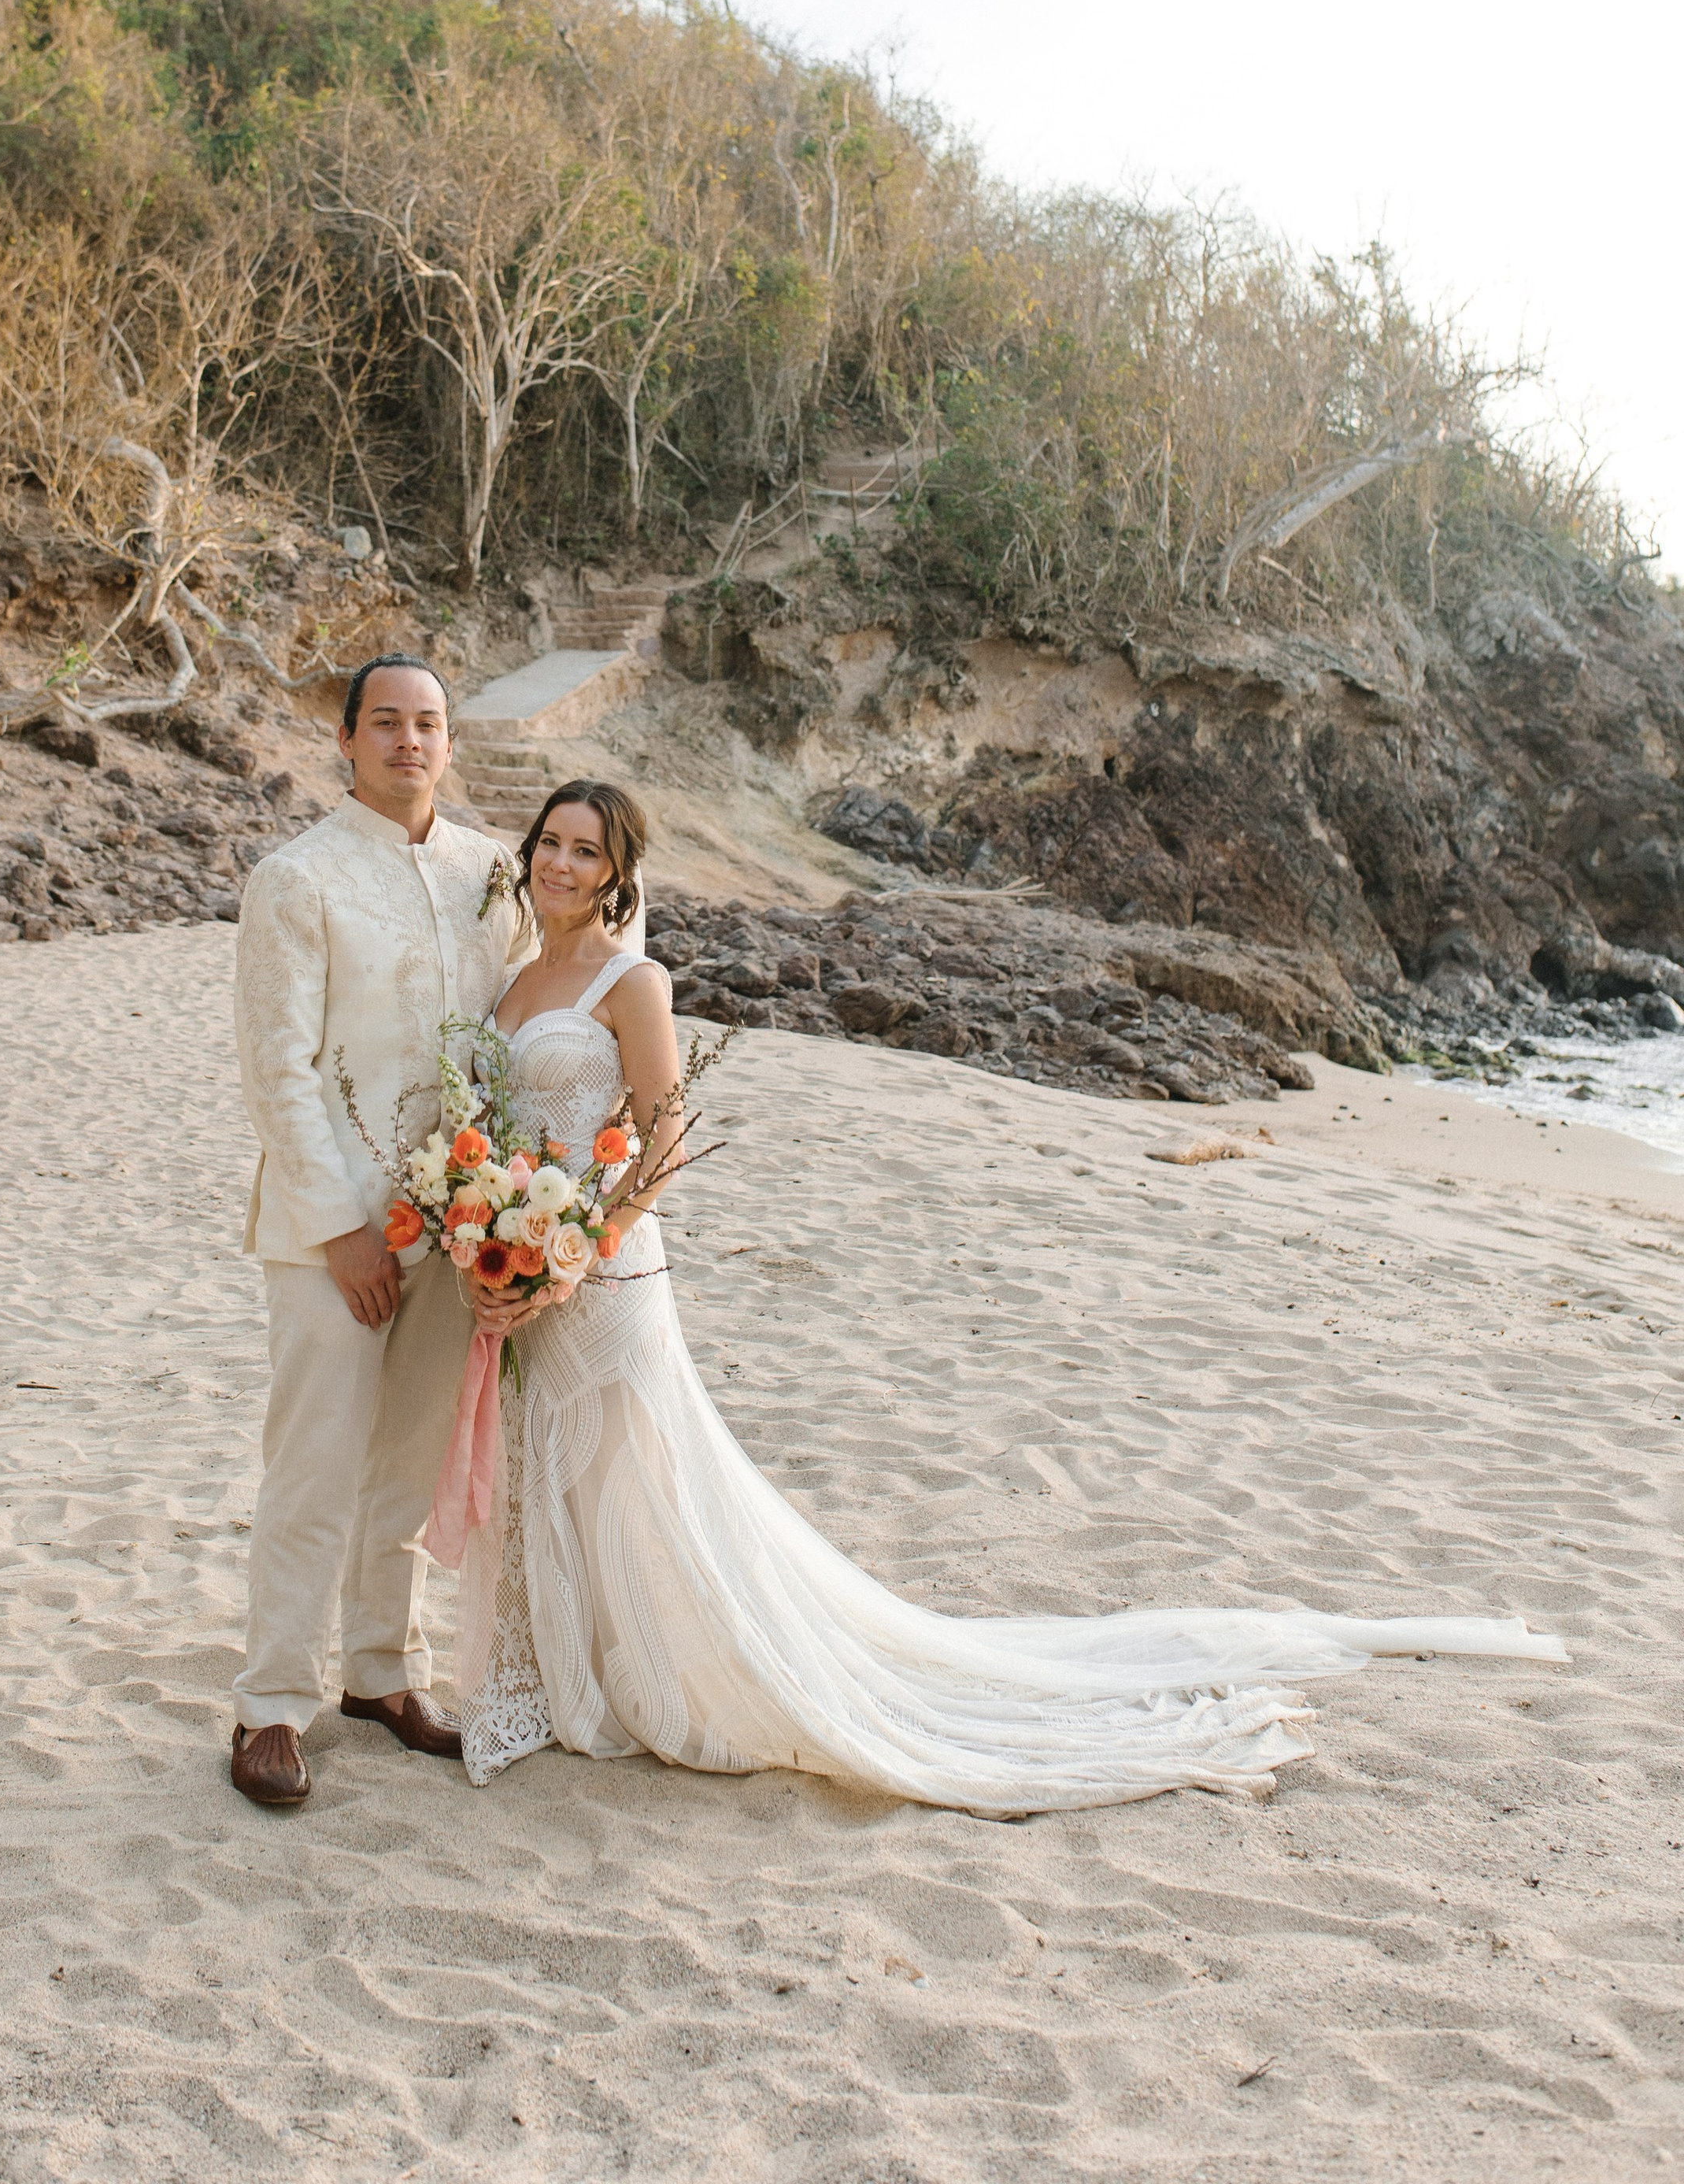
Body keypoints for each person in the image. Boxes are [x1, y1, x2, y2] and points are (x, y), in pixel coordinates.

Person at [451, 776, 1567, 1816]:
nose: (560, 862)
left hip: (606, 1272)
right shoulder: (511, 983)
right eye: (549, 843)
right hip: (529, 1265)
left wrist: (577, 1250)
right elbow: (502, 1132)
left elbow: (664, 1138)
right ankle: (572, 1677)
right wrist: (501, 1243)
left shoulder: (631, 981)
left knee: (639, 1472)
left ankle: (673, 1672)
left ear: (616, 872)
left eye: (583, 850)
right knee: (554, 1463)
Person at [227, 651, 528, 1808]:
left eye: (430, 724)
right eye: (388, 723)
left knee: (403, 1466)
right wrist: (340, 1227)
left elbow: (507, 1041)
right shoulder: (295, 880)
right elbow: (277, 1068)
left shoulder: (486, 873)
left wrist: (497, 1216)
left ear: (451, 744)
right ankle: (270, 1704)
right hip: (331, 1229)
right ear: (347, 740)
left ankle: (381, 1674)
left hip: (456, 1225)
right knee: (313, 1465)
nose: (411, 741)